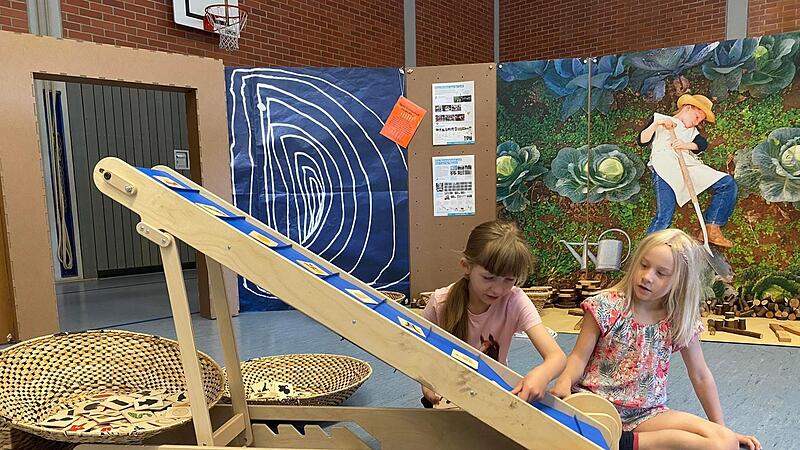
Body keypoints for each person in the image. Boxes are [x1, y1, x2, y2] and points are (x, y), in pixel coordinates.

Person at [550, 229, 761, 450]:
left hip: (647, 415)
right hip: (595, 406)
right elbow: (578, 357)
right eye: (644, 265)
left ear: (679, 281)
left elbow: (700, 375)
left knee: (724, 443)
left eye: (661, 273)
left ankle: (622, 443)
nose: (647, 276)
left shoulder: (678, 320)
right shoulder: (605, 306)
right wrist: (564, 381)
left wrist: (723, 430)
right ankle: (615, 439)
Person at [421, 220, 565, 405]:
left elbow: (557, 357)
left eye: (509, 280)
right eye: (488, 278)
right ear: (466, 266)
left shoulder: (515, 301)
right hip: (447, 394)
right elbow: (418, 349)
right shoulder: (440, 302)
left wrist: (542, 375)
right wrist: (426, 382)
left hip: (494, 393)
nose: (498, 289)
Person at [637, 94, 737, 248]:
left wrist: (685, 145)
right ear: (688, 108)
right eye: (697, 117)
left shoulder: (692, 132)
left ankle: (711, 227)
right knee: (665, 216)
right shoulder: (660, 119)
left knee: (727, 183)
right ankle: (646, 251)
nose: (697, 122)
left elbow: (701, 144)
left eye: (700, 121)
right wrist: (657, 124)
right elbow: (642, 140)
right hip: (666, 168)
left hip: (688, 166)